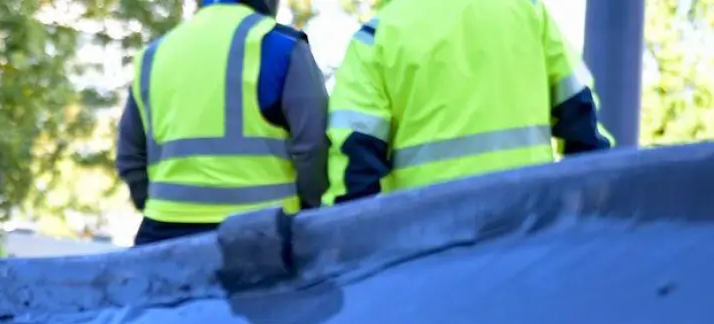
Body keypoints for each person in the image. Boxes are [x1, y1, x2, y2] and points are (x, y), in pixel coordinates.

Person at [324, 0, 612, 205]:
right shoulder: (529, 11)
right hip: (527, 228)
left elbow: (354, 170)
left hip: (426, 248)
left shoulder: (376, 38)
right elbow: (583, 124)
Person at [116, 0, 329, 246]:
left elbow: (130, 157)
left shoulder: (153, 55)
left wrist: (160, 207)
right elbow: (313, 145)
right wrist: (309, 210)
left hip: (163, 233)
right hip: (264, 235)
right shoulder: (282, 46)